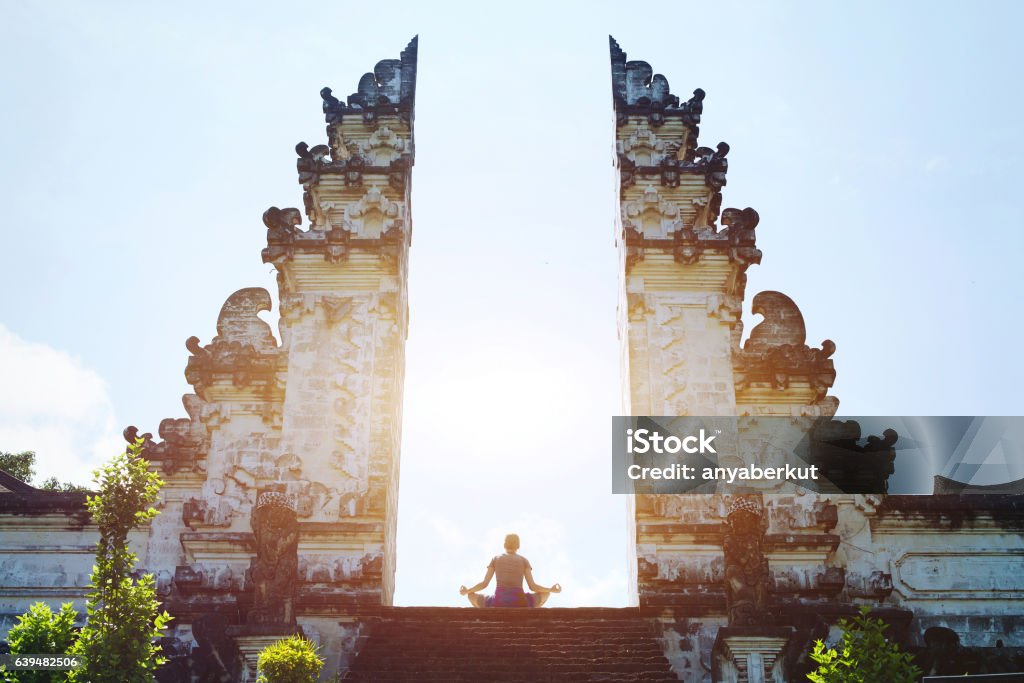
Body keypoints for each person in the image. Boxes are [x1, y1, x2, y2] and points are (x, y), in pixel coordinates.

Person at [459, 533, 562, 607]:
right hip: (520, 602)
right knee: (546, 594)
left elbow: (484, 584)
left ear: (504, 545)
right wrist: (551, 589)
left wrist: (467, 591)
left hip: (498, 602)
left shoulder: (495, 559)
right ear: (518, 546)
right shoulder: (524, 560)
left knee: (471, 596)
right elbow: (533, 587)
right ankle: (527, 614)